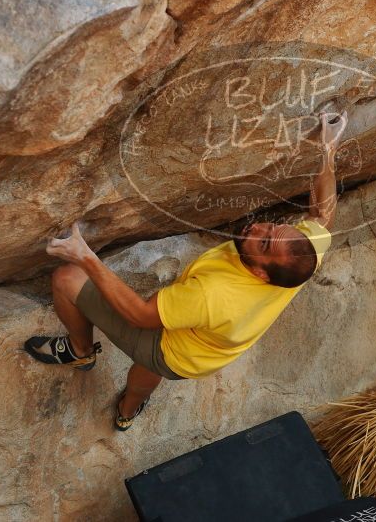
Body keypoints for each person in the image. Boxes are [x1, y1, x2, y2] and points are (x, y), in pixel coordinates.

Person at [24, 111, 348, 431]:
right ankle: (128, 410)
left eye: (263, 244)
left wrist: (85, 257)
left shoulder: (213, 295)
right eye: (272, 228)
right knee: (148, 373)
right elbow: (322, 215)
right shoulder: (300, 256)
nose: (258, 228)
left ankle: (80, 352)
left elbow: (141, 316)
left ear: (263, 274)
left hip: (168, 347)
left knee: (67, 279)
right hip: (198, 354)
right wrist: (327, 149)